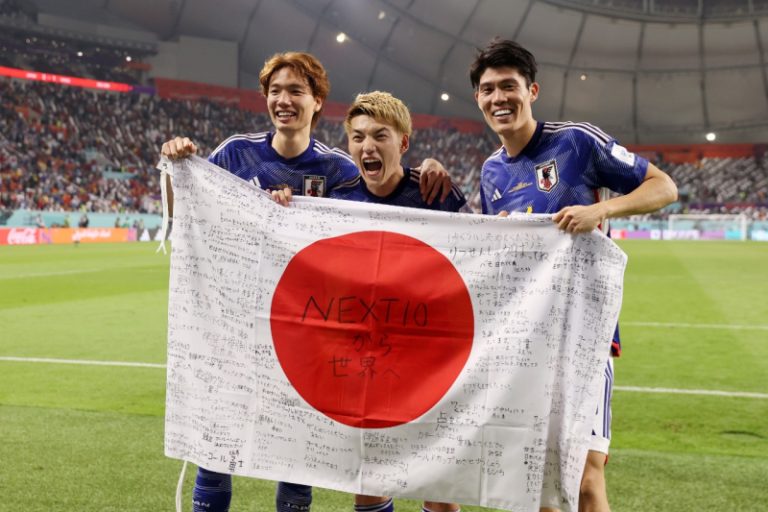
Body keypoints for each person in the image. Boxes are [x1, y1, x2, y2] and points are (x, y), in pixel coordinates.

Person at [161, 51, 456, 512]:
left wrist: (428, 165)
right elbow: (190, 212)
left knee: (297, 448)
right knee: (216, 442)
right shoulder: (234, 152)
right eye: (275, 91)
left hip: (304, 325)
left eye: (296, 91)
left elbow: (382, 195)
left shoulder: (339, 168)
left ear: (317, 102)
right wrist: (178, 165)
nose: (284, 100)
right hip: (237, 317)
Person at [469, 39, 677, 512]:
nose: (499, 97)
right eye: (487, 90)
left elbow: (664, 187)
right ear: (478, 100)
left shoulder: (576, 141)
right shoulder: (490, 172)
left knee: (585, 478)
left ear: (532, 90)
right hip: (527, 339)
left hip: (584, 332)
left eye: (509, 86)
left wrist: (599, 209)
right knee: (541, 481)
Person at [278, 91, 470, 512]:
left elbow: (474, 269)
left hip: (429, 361)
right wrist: (278, 212)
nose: (367, 146)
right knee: (370, 478)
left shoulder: (435, 194)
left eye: (380, 136)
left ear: (402, 143)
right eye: (358, 137)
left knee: (437, 486)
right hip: (368, 360)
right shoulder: (338, 200)